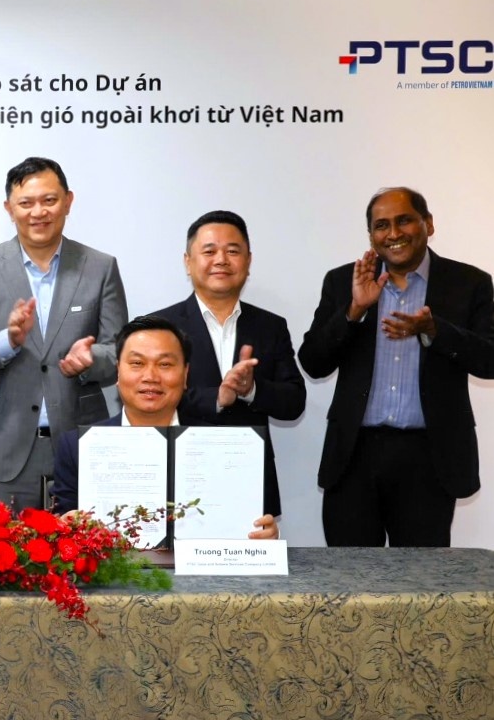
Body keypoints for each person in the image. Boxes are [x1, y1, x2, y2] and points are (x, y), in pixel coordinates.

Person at [298, 187, 494, 547]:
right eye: (381, 225)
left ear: (428, 224)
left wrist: (435, 330)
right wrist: (354, 311)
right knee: (351, 575)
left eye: (404, 221)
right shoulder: (344, 282)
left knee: (421, 578)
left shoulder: (470, 283)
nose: (393, 233)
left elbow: (489, 361)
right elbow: (312, 362)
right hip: (354, 456)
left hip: (429, 459)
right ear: (371, 235)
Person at [0, 156, 127, 511]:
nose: (38, 212)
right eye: (26, 203)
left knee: (85, 546)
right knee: (0, 547)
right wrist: (7, 341)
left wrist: (91, 359)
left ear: (68, 201)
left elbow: (119, 353)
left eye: (49, 200)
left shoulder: (100, 267)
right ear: (9, 209)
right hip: (0, 447)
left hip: (80, 442)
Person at [51, 315, 277, 539]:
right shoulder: (78, 446)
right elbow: (62, 527)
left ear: (185, 374)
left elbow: (247, 524)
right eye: (137, 363)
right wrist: (63, 528)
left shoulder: (224, 447)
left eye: (165, 364)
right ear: (118, 371)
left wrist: (265, 536)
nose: (150, 376)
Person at [149, 210, 305, 519]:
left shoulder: (270, 326)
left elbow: (294, 401)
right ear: (188, 262)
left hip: (249, 478)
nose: (221, 260)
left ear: (248, 261)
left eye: (232, 251)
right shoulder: (159, 327)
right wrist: (217, 397)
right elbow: (150, 397)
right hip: (179, 475)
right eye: (209, 251)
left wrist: (252, 390)